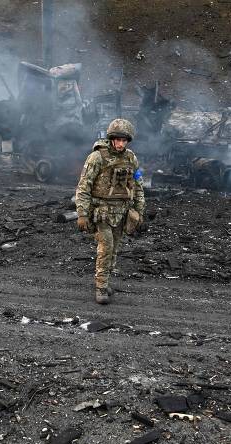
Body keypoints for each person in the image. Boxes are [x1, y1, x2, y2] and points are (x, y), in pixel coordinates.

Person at [75, 118, 145, 304]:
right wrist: (82, 213)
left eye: (124, 140)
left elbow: (138, 186)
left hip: (122, 213)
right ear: (112, 138)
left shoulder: (131, 158)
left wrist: (139, 211)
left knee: (114, 250)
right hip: (102, 212)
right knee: (105, 248)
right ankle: (100, 288)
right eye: (118, 139)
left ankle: (105, 283)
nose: (121, 143)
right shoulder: (97, 157)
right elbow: (83, 187)